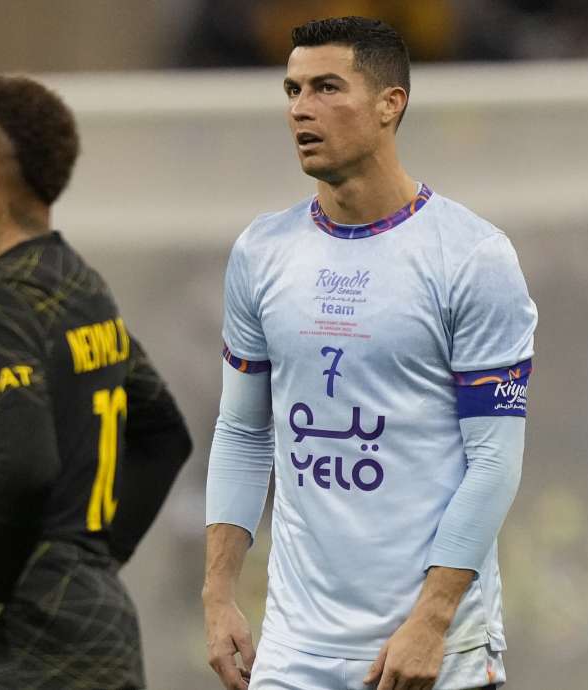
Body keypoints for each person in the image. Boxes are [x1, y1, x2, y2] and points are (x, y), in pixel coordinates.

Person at [203, 17, 536, 690]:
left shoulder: (472, 256)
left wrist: (433, 622)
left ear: (392, 104)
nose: (301, 107)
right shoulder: (262, 252)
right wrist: (217, 595)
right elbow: (242, 432)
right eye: (293, 89)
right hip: (295, 651)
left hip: (432, 652)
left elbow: (495, 459)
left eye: (328, 87)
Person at [0, 75, 194, 689]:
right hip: (103, 639)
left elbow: (27, 463)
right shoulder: (82, 288)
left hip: (21, 651)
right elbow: (166, 436)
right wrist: (92, 562)